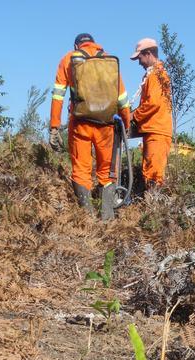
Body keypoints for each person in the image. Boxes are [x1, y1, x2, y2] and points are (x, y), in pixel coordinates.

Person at [49, 33, 130, 220]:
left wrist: (54, 126)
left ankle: (87, 219)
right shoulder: (108, 61)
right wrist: (125, 123)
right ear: (93, 43)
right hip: (106, 125)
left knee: (81, 170)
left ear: (77, 46)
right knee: (106, 172)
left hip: (80, 124)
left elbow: (58, 95)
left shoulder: (69, 58)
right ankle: (107, 218)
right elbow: (122, 99)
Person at [130, 37, 172, 189]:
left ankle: (155, 210)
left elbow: (153, 103)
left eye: (139, 57)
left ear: (148, 53)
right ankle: (152, 209)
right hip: (153, 130)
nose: (139, 62)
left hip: (157, 131)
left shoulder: (156, 75)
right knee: (150, 174)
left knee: (154, 178)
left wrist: (132, 116)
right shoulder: (154, 74)